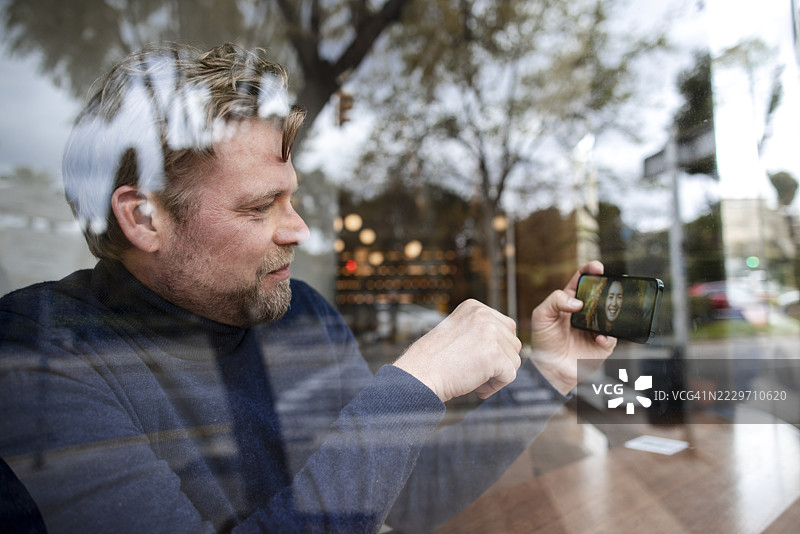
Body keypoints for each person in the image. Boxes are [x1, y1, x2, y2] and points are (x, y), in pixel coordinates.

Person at [0, 42, 615, 533]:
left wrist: (550, 375)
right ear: (144, 218)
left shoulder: (303, 317)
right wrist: (413, 386)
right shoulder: (40, 355)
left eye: (291, 197)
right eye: (263, 205)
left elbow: (404, 498)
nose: (299, 230)